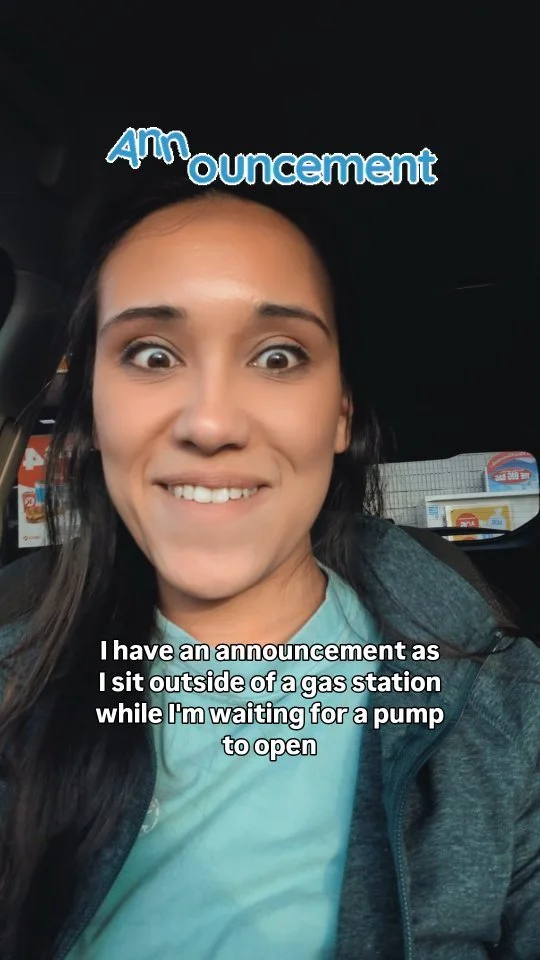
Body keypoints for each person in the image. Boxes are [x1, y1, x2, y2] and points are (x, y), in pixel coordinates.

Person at [0, 179, 539, 960]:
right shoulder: (15, 681)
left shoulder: (509, 709)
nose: (211, 422)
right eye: (152, 354)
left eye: (279, 356)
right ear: (91, 410)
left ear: (341, 412)